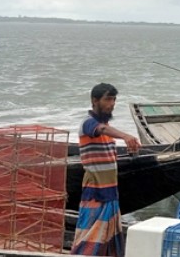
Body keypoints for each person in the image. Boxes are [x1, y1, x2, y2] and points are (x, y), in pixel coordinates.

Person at [72, 83, 141, 257]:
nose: (112, 103)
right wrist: (125, 136)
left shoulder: (108, 132)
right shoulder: (88, 124)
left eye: (114, 99)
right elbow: (100, 128)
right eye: (108, 99)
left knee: (109, 240)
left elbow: (107, 154)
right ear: (95, 101)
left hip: (110, 193)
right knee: (87, 240)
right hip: (95, 193)